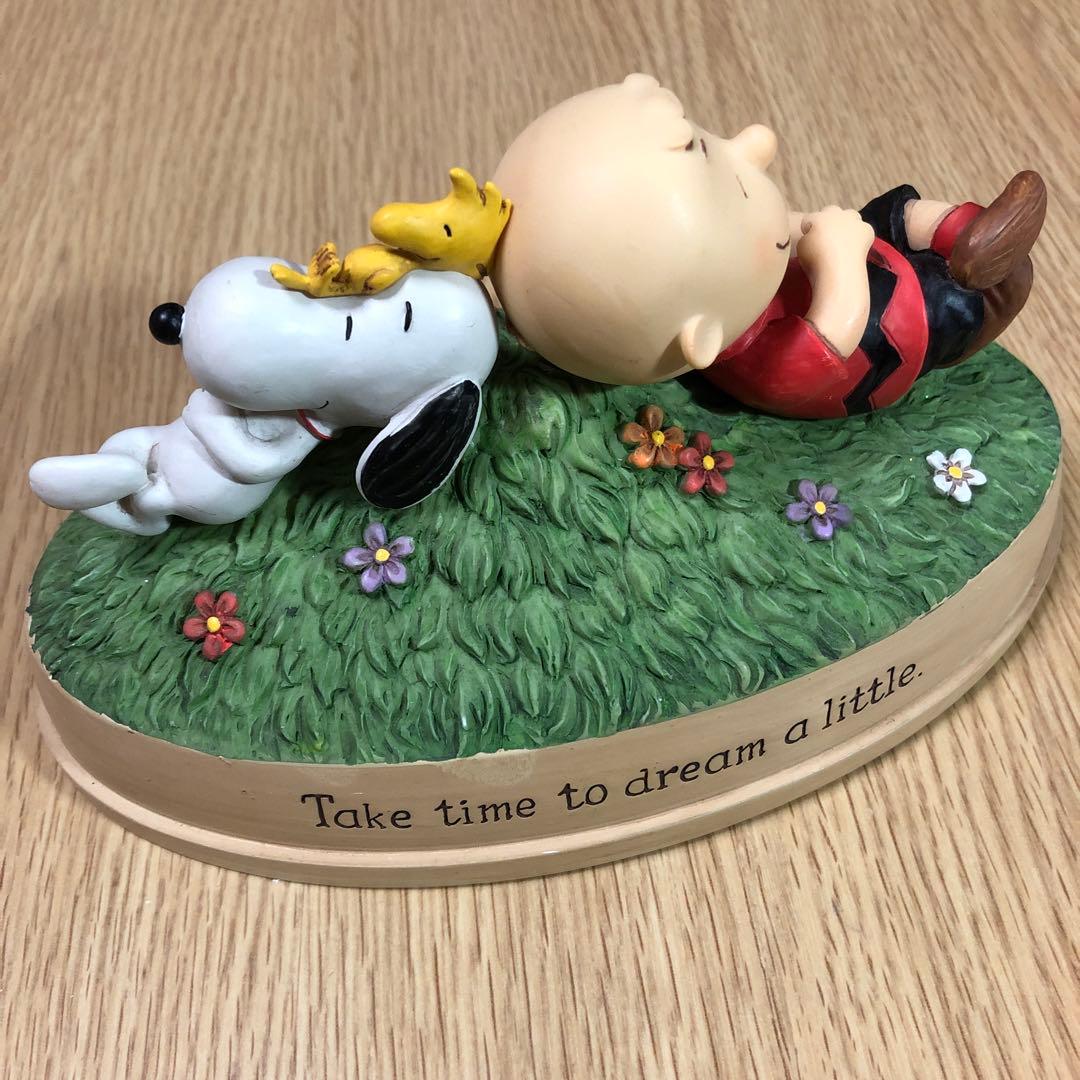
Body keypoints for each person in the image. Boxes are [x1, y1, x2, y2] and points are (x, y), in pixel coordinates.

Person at [491, 74, 1045, 418]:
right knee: (950, 299)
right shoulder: (760, 364)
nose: (756, 145)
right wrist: (837, 257)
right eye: (736, 186)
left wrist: (810, 234)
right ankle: (987, 282)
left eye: (710, 143)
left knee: (896, 215)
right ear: (699, 332)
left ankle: (971, 233)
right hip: (893, 333)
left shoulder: (736, 281)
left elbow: (791, 231)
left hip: (856, 257)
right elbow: (836, 336)